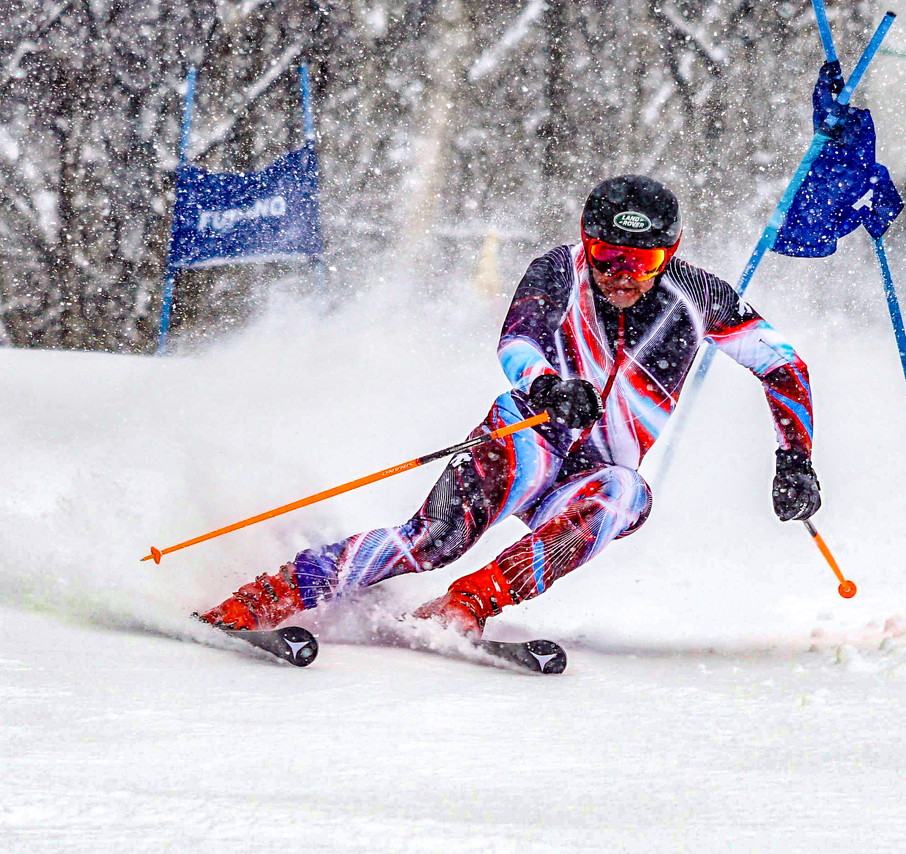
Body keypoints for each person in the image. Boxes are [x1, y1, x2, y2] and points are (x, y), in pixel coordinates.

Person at [199, 175, 821, 638]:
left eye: (644, 261)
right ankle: (263, 597)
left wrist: (796, 460)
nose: (621, 275)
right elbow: (517, 339)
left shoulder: (699, 297)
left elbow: (784, 365)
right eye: (606, 257)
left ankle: (467, 605)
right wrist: (549, 385)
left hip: (587, 474)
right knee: (431, 542)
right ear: (587, 242)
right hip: (526, 437)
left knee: (628, 495)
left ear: (672, 252)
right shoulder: (557, 270)